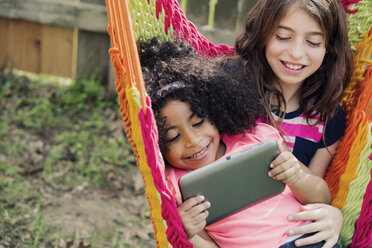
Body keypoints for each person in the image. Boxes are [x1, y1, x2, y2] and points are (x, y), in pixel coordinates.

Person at [140, 39, 334, 248]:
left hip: (310, 239)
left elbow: (322, 197)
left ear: (215, 113)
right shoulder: (175, 185)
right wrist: (189, 234)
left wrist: (296, 177)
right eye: (173, 137)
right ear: (158, 143)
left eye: (198, 122)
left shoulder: (259, 138)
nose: (193, 141)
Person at [235, 0, 353, 246]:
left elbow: (316, 193)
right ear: (263, 33)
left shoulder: (327, 117)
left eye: (313, 42)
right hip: (235, 228)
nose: (296, 53)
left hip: (287, 232)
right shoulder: (232, 90)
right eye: (283, 36)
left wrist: (333, 214)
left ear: (329, 48)